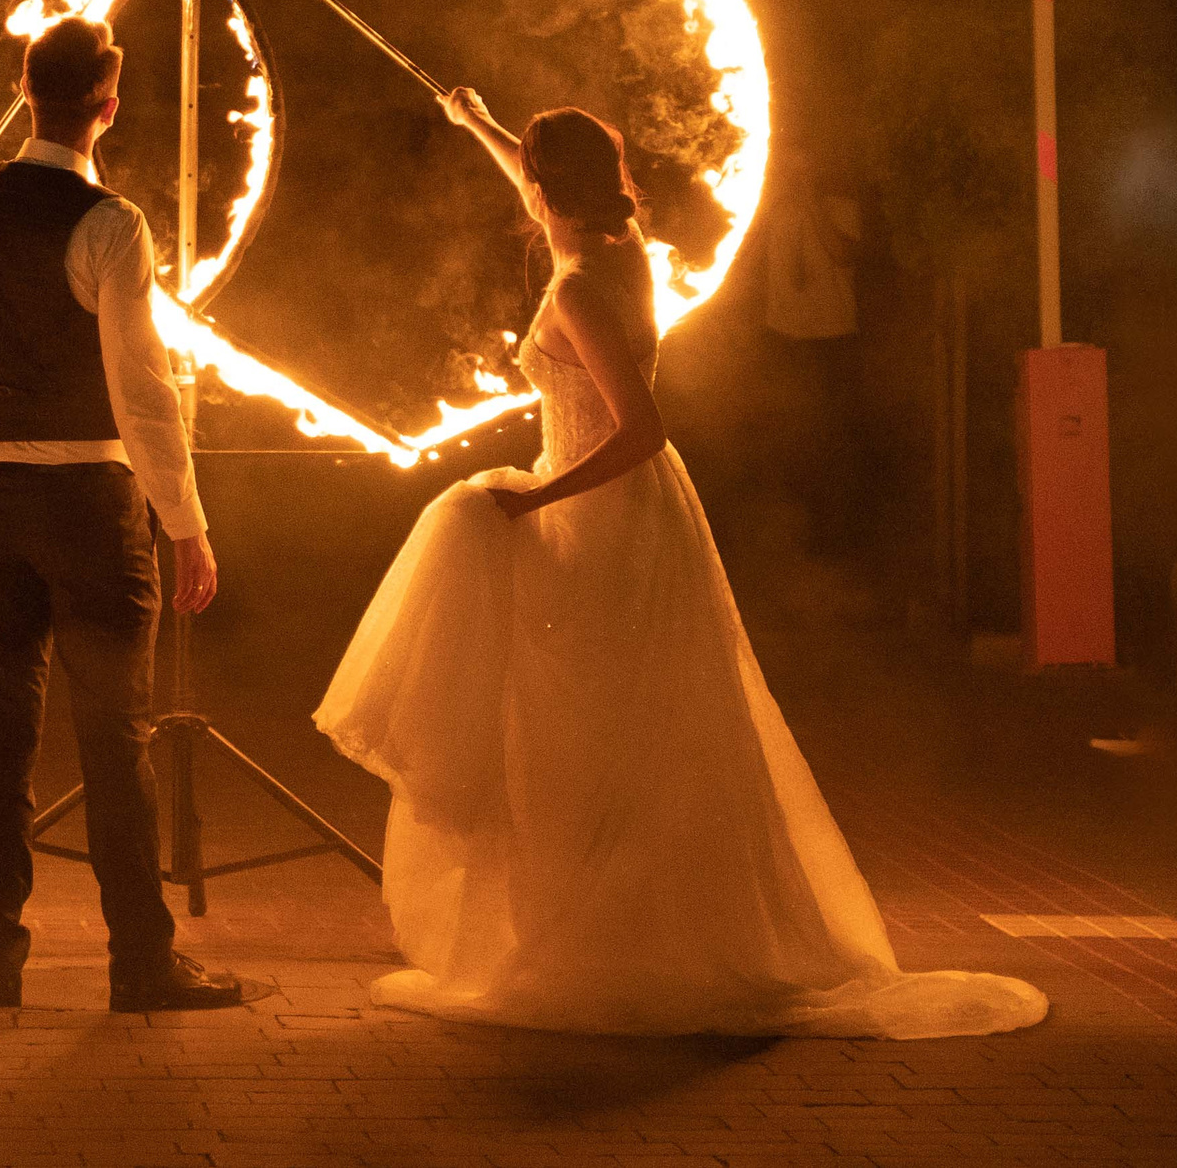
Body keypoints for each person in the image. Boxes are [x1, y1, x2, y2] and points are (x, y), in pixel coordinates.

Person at [313, 89, 1046, 1038]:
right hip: (623, 512)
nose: (523, 193)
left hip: (602, 517)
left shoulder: (578, 288)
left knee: (590, 726)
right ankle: (606, 926)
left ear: (545, 191)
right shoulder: (622, 255)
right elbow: (548, 198)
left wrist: (532, 499)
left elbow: (643, 430)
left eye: (526, 177)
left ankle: (614, 945)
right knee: (608, 729)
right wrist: (483, 128)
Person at [0, 16, 251, 1014]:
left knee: (1, 732)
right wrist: (186, 520)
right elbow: (143, 387)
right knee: (114, 736)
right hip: (88, 505)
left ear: (23, 90)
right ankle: (142, 963)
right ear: (108, 106)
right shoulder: (111, 223)